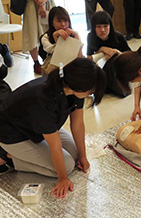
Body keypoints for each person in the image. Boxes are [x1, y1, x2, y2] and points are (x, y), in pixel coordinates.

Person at [0, 58, 106, 198]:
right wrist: (63, 178)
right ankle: (9, 157)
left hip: (37, 126)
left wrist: (83, 156)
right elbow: (55, 145)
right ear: (79, 88)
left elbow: (78, 124)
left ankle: (18, 154)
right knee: (67, 166)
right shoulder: (43, 97)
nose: (91, 94)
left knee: (74, 154)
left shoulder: (72, 88)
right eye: (91, 91)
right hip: (12, 133)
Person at [87, 10, 131, 97]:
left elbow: (130, 58)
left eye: (105, 26)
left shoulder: (118, 37)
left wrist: (116, 52)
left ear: (110, 26)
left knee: (113, 61)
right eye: (98, 27)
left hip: (118, 68)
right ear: (93, 27)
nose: (102, 30)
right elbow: (89, 58)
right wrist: (101, 50)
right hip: (101, 67)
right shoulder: (91, 37)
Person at [41, 6, 82, 75]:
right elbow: (59, 55)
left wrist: (76, 36)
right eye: (59, 21)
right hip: (54, 65)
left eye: (65, 21)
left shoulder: (73, 34)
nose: (63, 24)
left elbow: (79, 57)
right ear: (52, 22)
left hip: (72, 63)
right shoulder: (46, 37)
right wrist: (55, 37)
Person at [23, 0, 55, 75]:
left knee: (50, 31)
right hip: (32, 5)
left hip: (48, 3)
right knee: (32, 34)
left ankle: (50, 59)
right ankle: (36, 62)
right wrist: (41, 5)